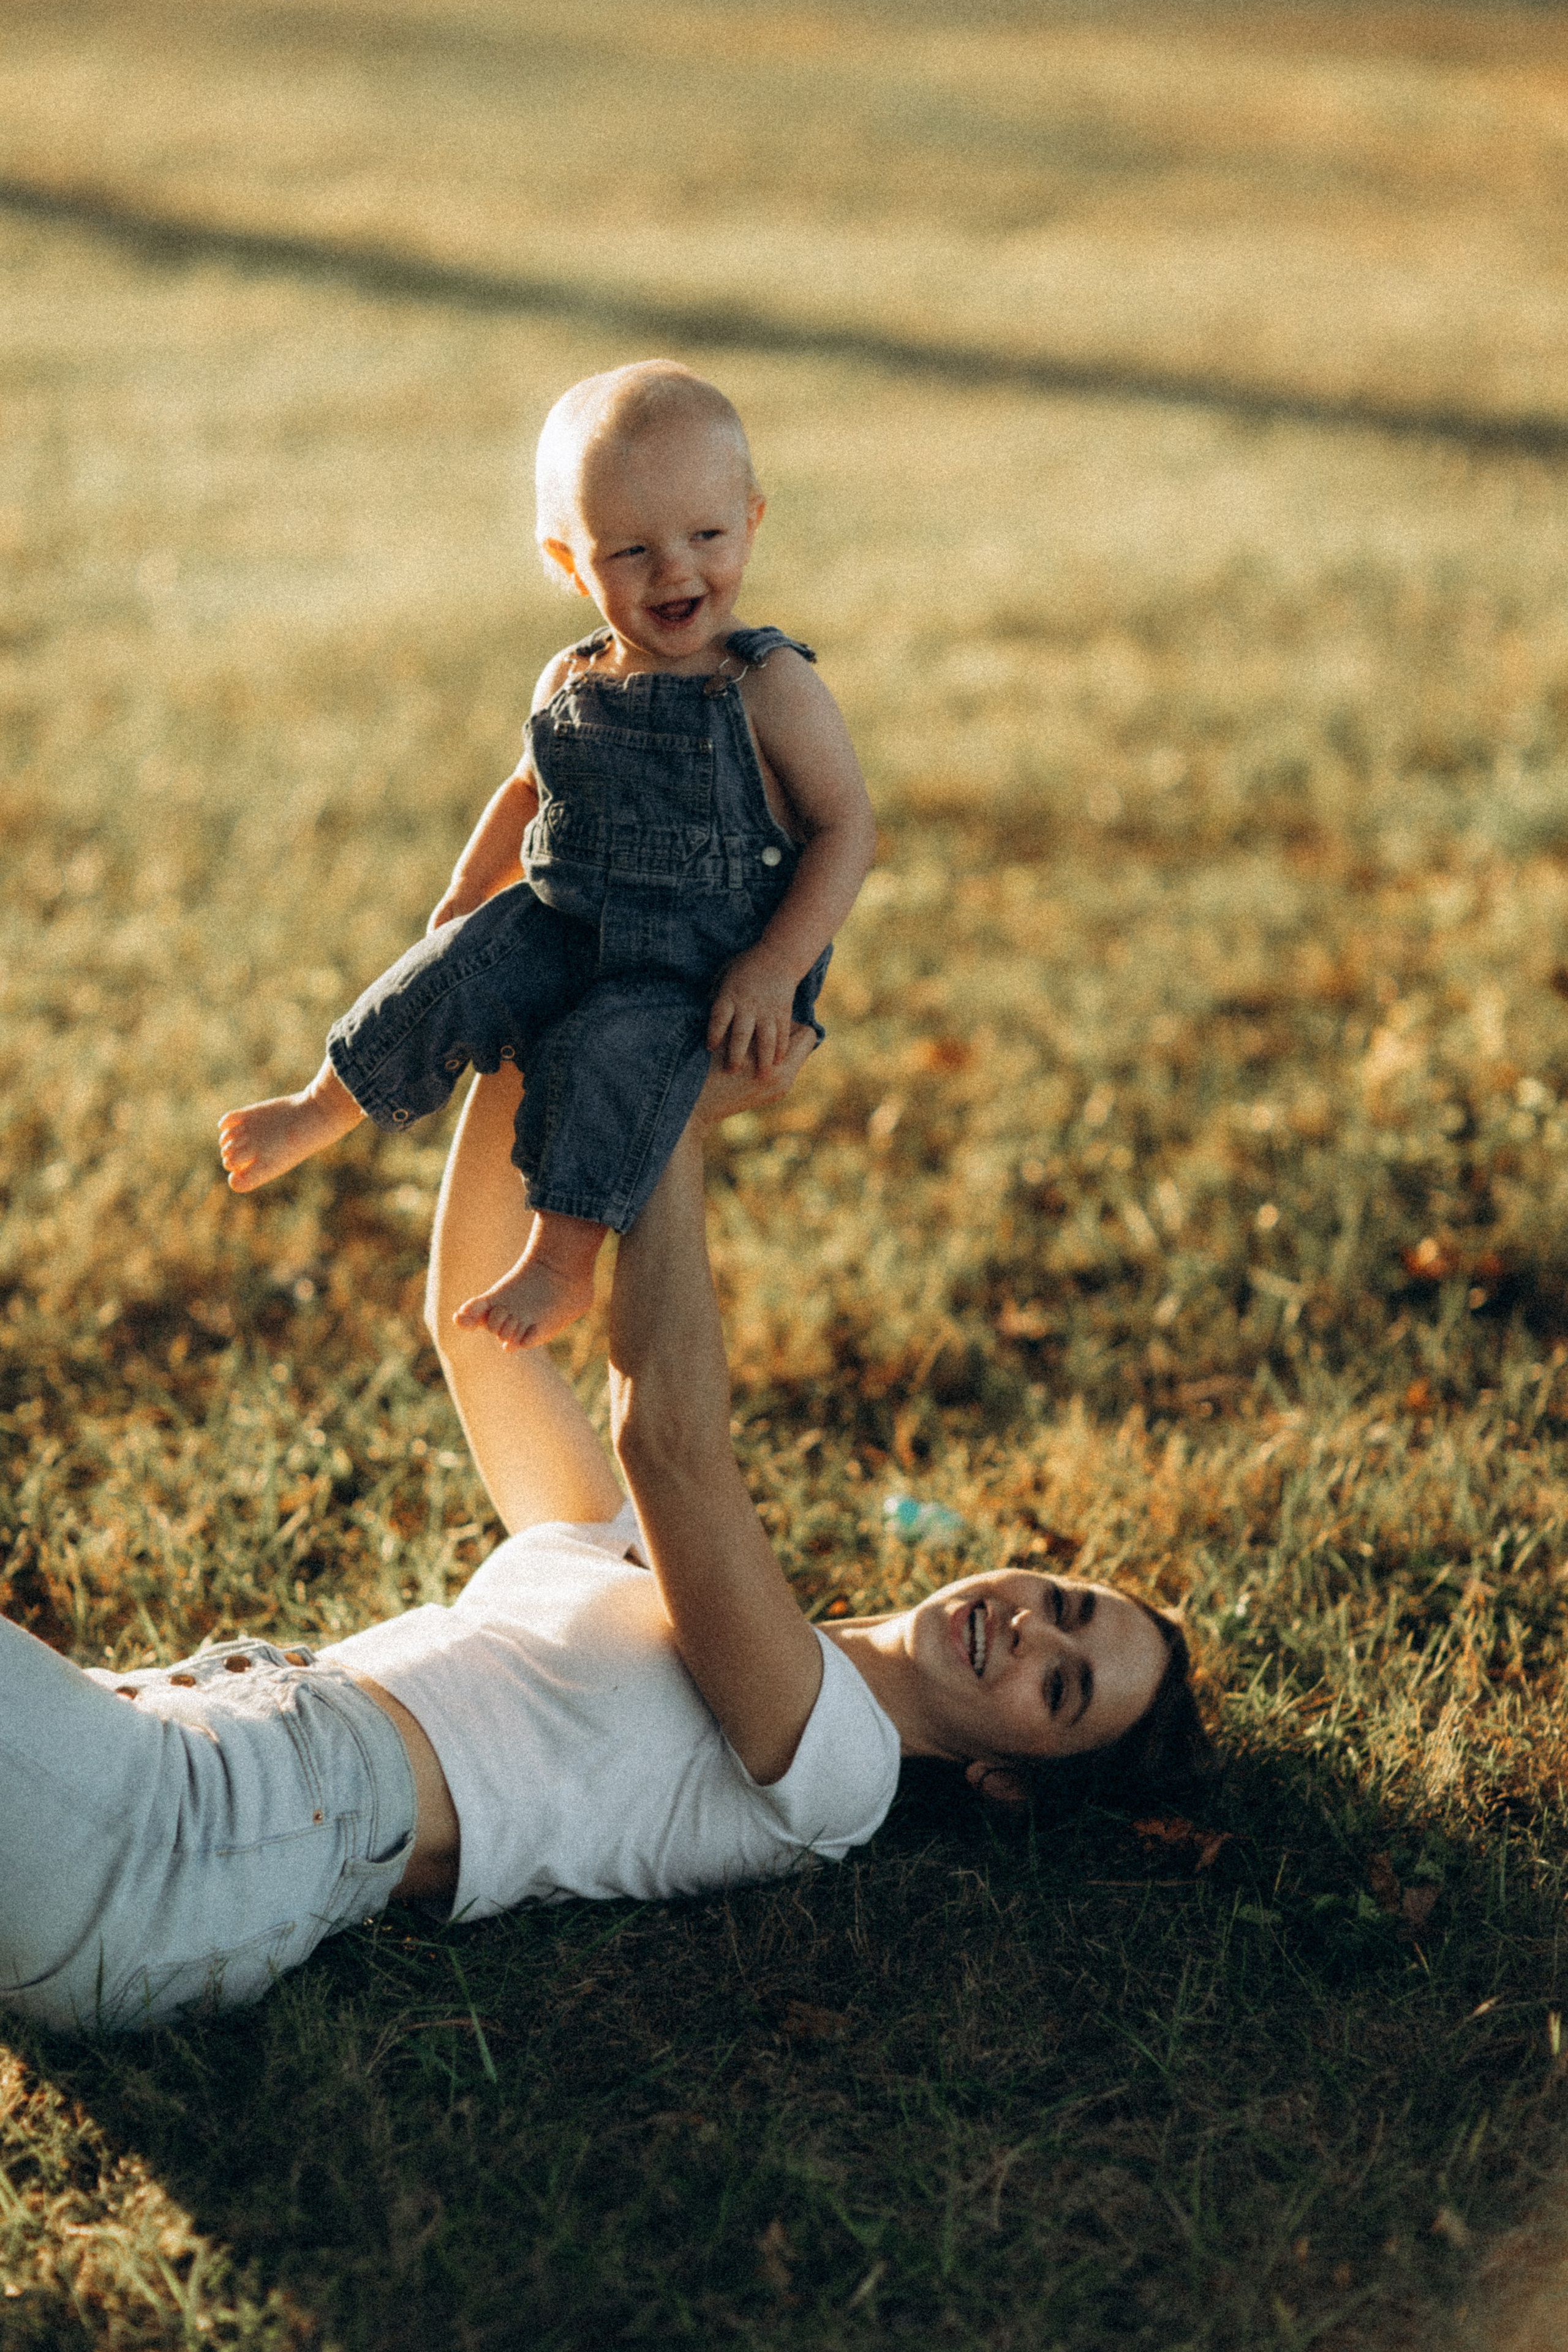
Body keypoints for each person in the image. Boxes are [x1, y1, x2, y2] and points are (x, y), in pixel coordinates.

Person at [0, 1043, 1203, 2038]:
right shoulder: (636, 1568)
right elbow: (474, 1321)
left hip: (204, 1839)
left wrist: (666, 1121)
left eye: (1062, 1686)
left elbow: (671, 1443)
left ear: (1000, 1783)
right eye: (1066, 1601)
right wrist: (534, 1017)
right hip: (169, 1737)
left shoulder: (843, 1775)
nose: (1034, 1627)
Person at [217, 360, 877, 1352]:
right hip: (569, 917)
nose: (675, 571)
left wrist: (775, 966)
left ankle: (560, 1261)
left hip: (708, 960)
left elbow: (845, 829)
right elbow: (525, 789)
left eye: (707, 536)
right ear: (568, 562)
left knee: (605, 1049)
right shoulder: (567, 678)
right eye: (630, 550)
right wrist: (463, 891)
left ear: (752, 520)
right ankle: (325, 1103)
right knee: (463, 961)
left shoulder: (769, 686)